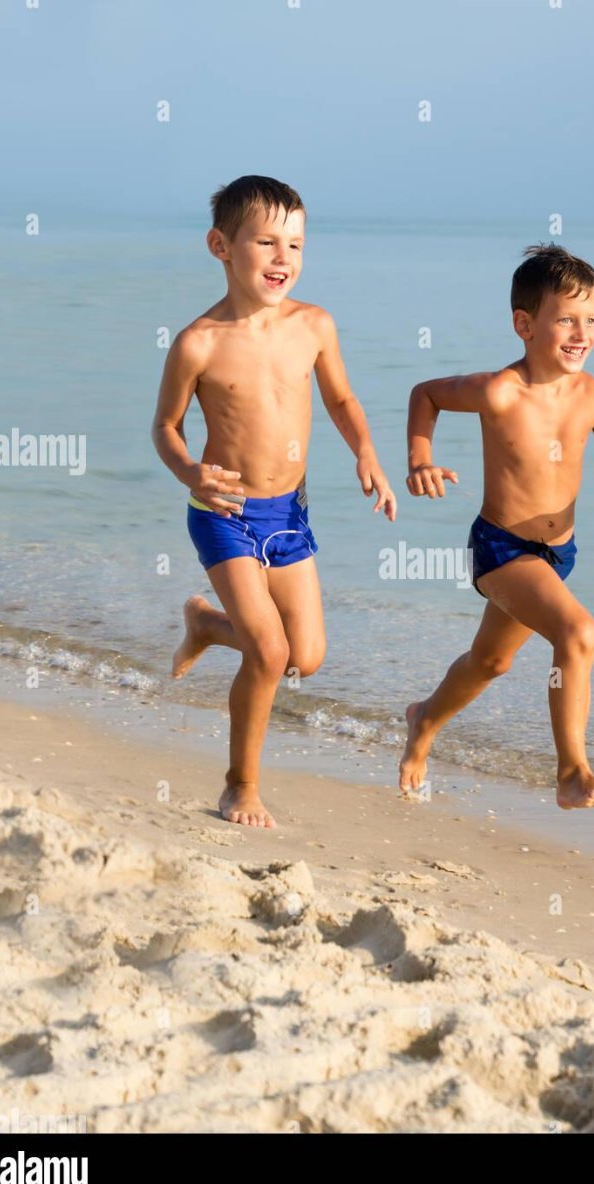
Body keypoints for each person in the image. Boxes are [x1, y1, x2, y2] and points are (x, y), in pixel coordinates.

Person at [152, 175, 396, 829]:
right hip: (224, 514)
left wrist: (366, 453)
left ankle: (206, 624)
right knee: (269, 654)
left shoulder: (314, 326)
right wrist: (189, 472)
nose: (283, 256)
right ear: (221, 246)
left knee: (304, 657)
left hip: (289, 514)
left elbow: (342, 399)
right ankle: (241, 785)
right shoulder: (197, 343)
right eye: (266, 241)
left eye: (295, 243)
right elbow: (166, 428)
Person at [400, 244, 594, 808]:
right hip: (501, 548)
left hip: (558, 554)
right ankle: (571, 771)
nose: (581, 332)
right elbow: (427, 394)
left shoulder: (592, 394)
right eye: (565, 318)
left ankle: (423, 720)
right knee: (579, 633)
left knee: (491, 661)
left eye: (590, 320)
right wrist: (421, 459)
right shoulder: (500, 391)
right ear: (524, 324)